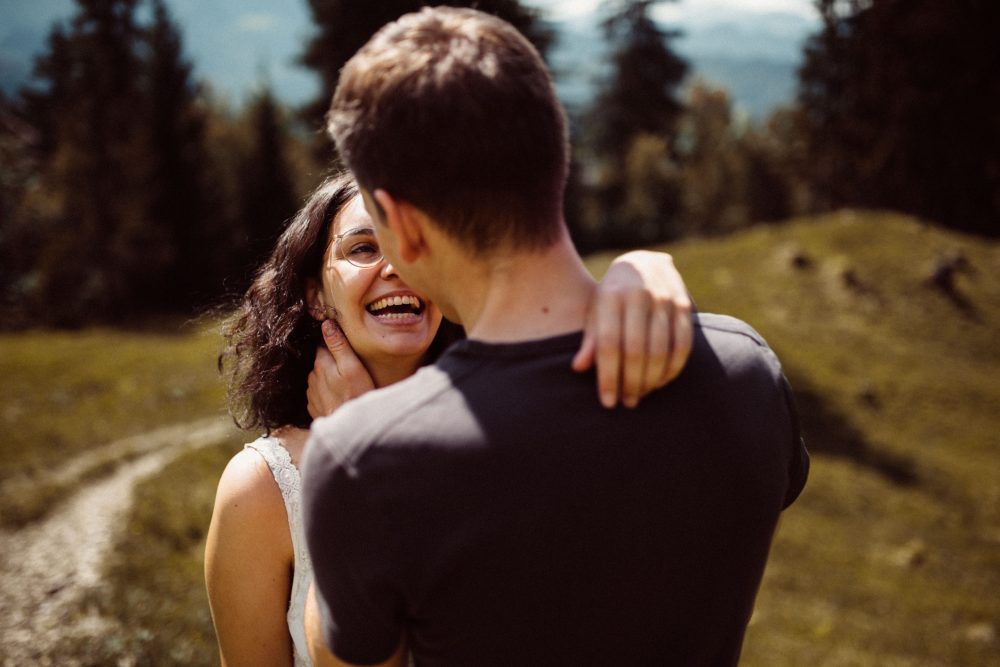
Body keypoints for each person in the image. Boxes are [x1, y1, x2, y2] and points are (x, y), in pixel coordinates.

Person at [301, 7, 809, 667]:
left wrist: (347, 442)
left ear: (403, 222)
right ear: (555, 158)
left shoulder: (367, 461)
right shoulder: (747, 372)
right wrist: (638, 266)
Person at [204, 170, 696, 666]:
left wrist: (644, 266)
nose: (395, 265)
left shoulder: (499, 436)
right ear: (315, 295)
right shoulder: (262, 489)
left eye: (414, 246)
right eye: (362, 249)